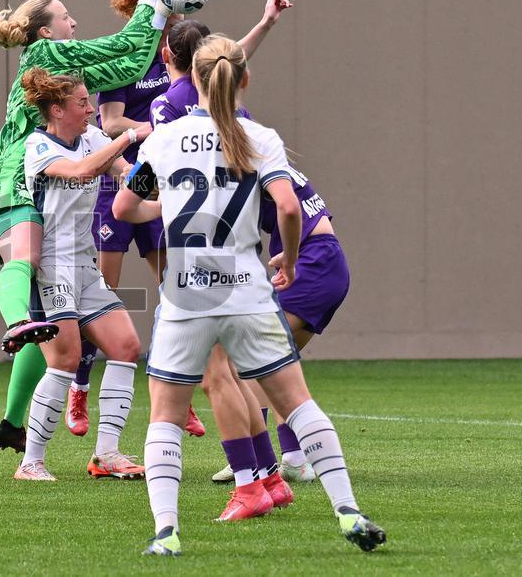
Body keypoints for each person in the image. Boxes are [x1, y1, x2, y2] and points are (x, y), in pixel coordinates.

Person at [113, 35, 385, 556]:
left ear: (191, 75)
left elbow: (126, 208)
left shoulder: (164, 140)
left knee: (166, 415)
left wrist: (167, 211)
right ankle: (348, 511)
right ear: (244, 79)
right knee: (298, 404)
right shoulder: (258, 137)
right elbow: (286, 205)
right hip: (247, 293)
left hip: (186, 297)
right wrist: (286, 254)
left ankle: (166, 532)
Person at [0, 0, 186, 452]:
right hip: (14, 182)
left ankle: (20, 421)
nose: (75, 22)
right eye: (66, 16)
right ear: (47, 34)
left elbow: (128, 65)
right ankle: (15, 327)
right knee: (32, 275)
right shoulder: (45, 64)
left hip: (66, 239)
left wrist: (175, 181)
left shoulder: (74, 99)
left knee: (73, 338)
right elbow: (127, 49)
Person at [67, 0, 293, 439]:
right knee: (102, 293)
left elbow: (227, 63)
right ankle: (79, 383)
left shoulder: (189, 75)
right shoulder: (126, 64)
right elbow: (108, 122)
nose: (165, 22)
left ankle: (182, 388)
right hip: (127, 178)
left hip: (172, 189)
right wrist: (155, 133)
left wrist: (265, 23)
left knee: (177, 280)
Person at [12, 68, 146, 481]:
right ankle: (30, 462)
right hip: (51, 265)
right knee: (66, 360)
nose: (90, 108)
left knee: (126, 346)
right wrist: (131, 135)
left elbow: (123, 173)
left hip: (85, 264)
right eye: (82, 103)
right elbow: (81, 172)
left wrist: (153, 170)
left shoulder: (92, 138)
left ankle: (107, 454)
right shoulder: (37, 145)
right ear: (57, 109)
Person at [212, 165, 349, 484]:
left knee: (242, 361)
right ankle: (293, 459)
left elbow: (284, 209)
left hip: (310, 263)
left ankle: (251, 460)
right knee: (273, 369)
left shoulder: (243, 160)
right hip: (324, 262)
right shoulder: (260, 153)